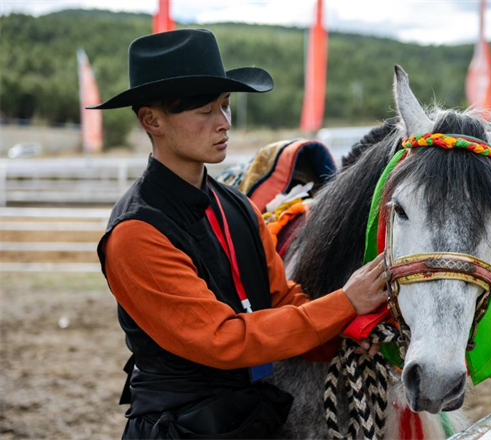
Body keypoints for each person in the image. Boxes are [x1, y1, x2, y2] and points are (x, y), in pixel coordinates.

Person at [89, 28, 388, 439]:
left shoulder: (238, 206)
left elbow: (283, 300)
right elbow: (222, 339)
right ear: (151, 120)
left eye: (226, 106)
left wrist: (350, 333)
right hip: (181, 427)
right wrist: (343, 304)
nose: (224, 123)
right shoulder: (135, 234)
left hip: (255, 417)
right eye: (204, 111)